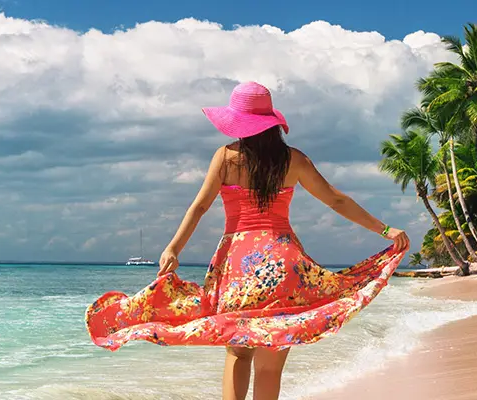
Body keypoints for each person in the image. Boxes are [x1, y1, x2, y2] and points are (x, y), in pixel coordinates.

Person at [84, 81, 411, 400]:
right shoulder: (293, 159)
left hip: (239, 265)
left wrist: (173, 248)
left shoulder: (226, 157)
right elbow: (336, 200)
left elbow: (199, 207)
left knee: (239, 354)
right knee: (270, 366)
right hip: (284, 265)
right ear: (271, 122)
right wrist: (385, 230)